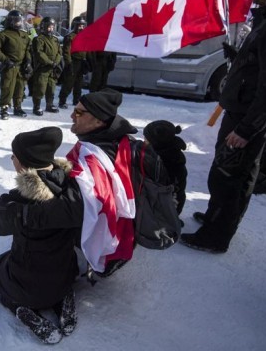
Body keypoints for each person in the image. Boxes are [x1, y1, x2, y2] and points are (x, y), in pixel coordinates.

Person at [181, 0, 266, 253]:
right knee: (222, 173)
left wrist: (248, 129)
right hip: (240, 112)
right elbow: (259, 66)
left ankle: (215, 238)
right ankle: (214, 219)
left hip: (248, 118)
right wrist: (239, 54)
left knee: (233, 178)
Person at [21, 88, 174, 279]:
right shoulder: (124, 142)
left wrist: (21, 213)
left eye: (79, 112)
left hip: (110, 244)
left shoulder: (92, 160)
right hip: (127, 233)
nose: (71, 115)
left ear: (99, 121)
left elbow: (74, 206)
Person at [0, 127, 81, 344]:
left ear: (25, 163)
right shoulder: (74, 188)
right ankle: (63, 297)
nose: (12, 159)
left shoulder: (18, 203)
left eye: (15, 156)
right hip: (65, 274)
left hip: (28, 287)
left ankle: (19, 307)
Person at [0, 9, 32, 119]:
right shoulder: (3, 34)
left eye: (20, 20)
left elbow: (27, 49)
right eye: (16, 21)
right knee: (7, 88)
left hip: (21, 66)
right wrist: (6, 60)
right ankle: (4, 108)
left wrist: (28, 61)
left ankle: (18, 107)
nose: (18, 23)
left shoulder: (24, 34)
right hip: (9, 66)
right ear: (10, 21)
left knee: (20, 88)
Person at [30, 16, 62, 115]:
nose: (51, 29)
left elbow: (59, 52)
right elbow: (39, 53)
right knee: (40, 87)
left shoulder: (55, 39)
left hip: (53, 68)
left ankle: (49, 104)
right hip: (42, 68)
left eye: (52, 27)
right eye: (49, 27)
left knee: (51, 87)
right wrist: (49, 62)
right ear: (43, 27)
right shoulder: (38, 39)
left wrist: (56, 62)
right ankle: (37, 106)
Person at [58, 16, 90, 108]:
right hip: (73, 61)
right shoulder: (70, 37)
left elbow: (87, 50)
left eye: (83, 26)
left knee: (79, 84)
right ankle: (62, 101)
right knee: (68, 83)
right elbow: (66, 51)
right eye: (79, 26)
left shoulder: (85, 37)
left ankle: (77, 100)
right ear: (74, 26)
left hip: (81, 62)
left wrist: (87, 61)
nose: (81, 28)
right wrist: (69, 63)